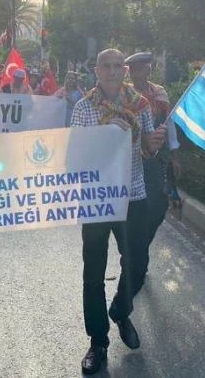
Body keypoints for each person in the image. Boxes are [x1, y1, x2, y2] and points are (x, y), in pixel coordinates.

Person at [72, 48, 166, 375]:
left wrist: (153, 145)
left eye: (117, 66)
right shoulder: (84, 108)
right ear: (96, 70)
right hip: (97, 197)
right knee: (93, 272)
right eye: (106, 66)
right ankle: (98, 342)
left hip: (132, 194)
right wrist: (105, 134)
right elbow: (75, 153)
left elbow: (146, 151)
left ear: (124, 70)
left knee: (137, 262)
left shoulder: (140, 105)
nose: (112, 71)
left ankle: (120, 310)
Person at [124, 51, 182, 252]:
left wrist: (175, 155)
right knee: (135, 208)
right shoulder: (124, 95)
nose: (137, 73)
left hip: (156, 158)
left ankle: (140, 245)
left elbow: (169, 124)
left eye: (141, 69)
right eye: (133, 70)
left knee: (158, 208)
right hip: (130, 160)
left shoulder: (160, 93)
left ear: (148, 70)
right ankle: (133, 250)